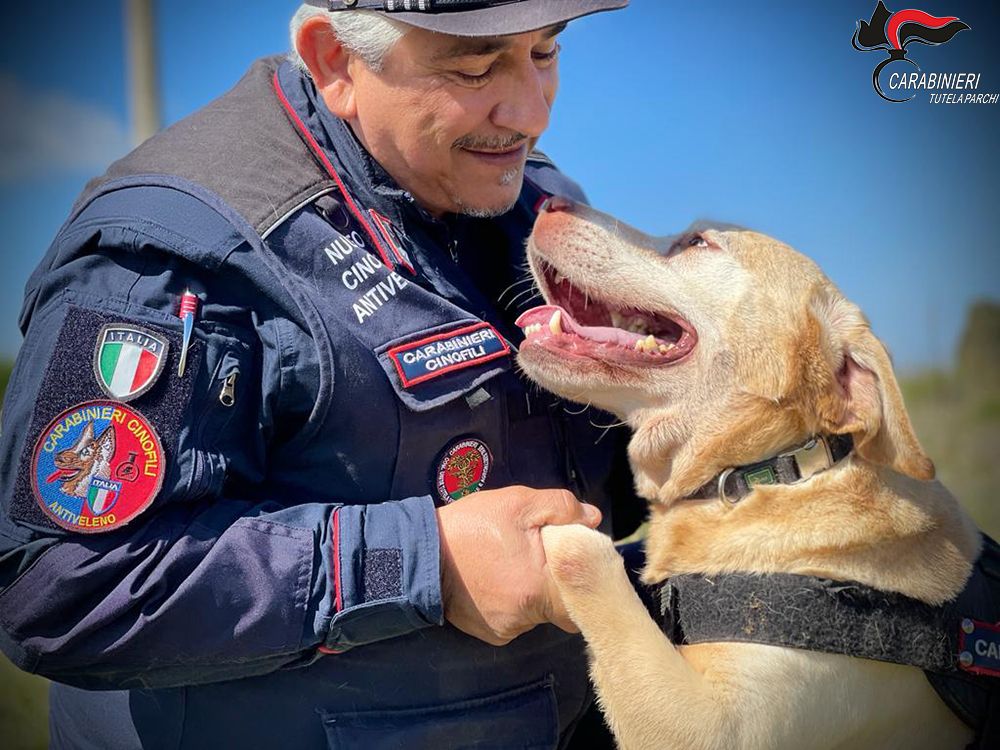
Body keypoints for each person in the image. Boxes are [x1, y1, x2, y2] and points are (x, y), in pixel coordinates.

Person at [0, 1, 641, 747]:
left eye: (544, 55)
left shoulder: (525, 194)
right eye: (475, 65)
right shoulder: (169, 254)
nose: (531, 114)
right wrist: (426, 563)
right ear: (336, 59)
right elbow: (69, 588)